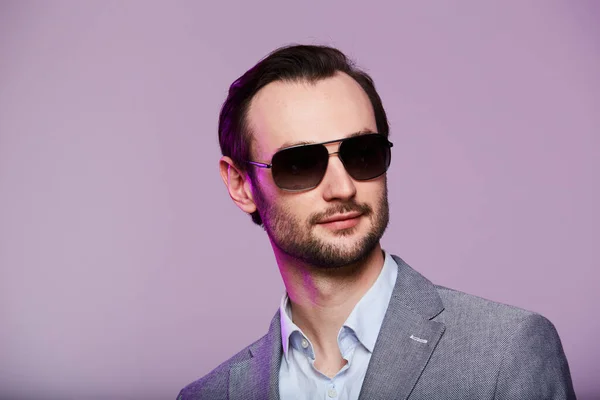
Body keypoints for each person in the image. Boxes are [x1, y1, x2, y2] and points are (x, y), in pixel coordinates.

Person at [177, 44, 576, 400]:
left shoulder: (506, 352)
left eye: (362, 152)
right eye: (299, 164)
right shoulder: (211, 394)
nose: (342, 187)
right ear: (241, 185)